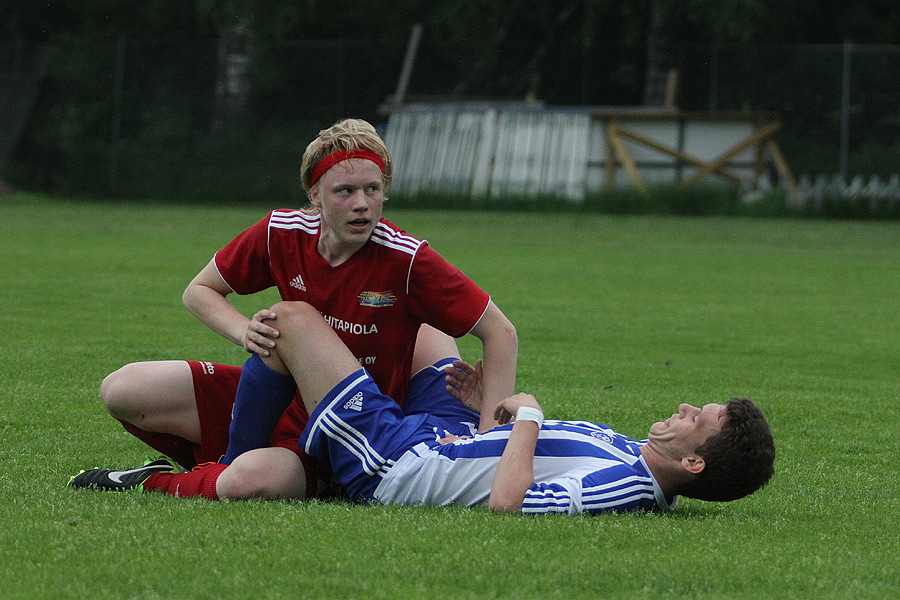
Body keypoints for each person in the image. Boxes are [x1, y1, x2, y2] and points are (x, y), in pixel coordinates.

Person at [91, 118, 517, 500]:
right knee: (123, 388)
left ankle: (156, 481)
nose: (362, 204)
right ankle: (215, 461)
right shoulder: (281, 232)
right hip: (273, 398)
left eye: (373, 189)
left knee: (248, 481)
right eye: (345, 192)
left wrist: (488, 441)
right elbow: (199, 290)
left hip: (345, 431)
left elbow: (500, 332)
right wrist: (243, 332)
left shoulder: (406, 259)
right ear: (315, 194)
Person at [73, 302, 776, 515]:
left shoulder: (630, 485)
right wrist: (492, 413)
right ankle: (300, 414)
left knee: (291, 321)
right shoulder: (630, 453)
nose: (686, 405)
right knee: (430, 333)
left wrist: (525, 417)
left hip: (396, 462)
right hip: (430, 434)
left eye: (699, 417)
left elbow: (508, 505)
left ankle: (200, 467)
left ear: (692, 461)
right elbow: (515, 454)